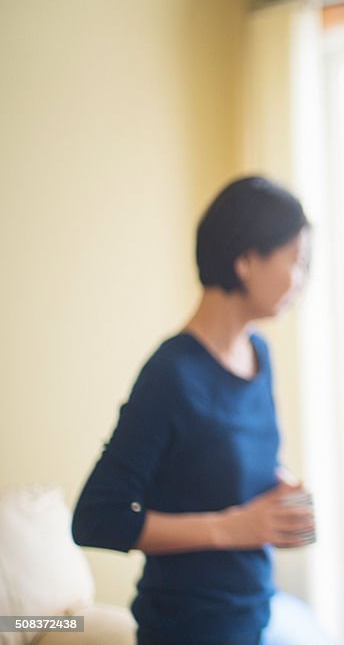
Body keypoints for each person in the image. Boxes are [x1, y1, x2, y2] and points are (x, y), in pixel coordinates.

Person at [73, 176, 319, 645]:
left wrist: (277, 487)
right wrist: (232, 528)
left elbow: (212, 463)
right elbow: (96, 517)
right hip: (189, 628)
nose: (301, 281)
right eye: (297, 262)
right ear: (247, 260)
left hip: (257, 612)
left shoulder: (259, 356)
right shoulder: (171, 375)